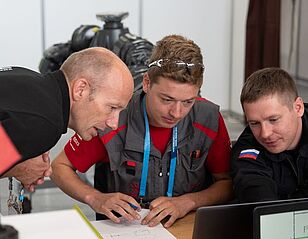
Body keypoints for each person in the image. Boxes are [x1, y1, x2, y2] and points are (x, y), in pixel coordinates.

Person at [51, 35, 233, 228]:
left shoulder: (208, 119)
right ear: (147, 83)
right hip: (125, 230)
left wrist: (188, 202)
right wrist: (95, 198)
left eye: (188, 101)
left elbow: (227, 183)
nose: (177, 113)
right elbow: (59, 168)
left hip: (187, 227)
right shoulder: (112, 119)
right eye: (167, 99)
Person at [0, 47, 134, 191]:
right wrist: (19, 169)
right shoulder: (46, 123)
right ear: (80, 89)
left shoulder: (28, 78)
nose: (114, 124)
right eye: (112, 108)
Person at [231, 67, 308, 203]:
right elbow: (265, 209)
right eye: (254, 123)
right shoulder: (247, 149)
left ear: (298, 108)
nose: (265, 134)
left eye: (273, 120)